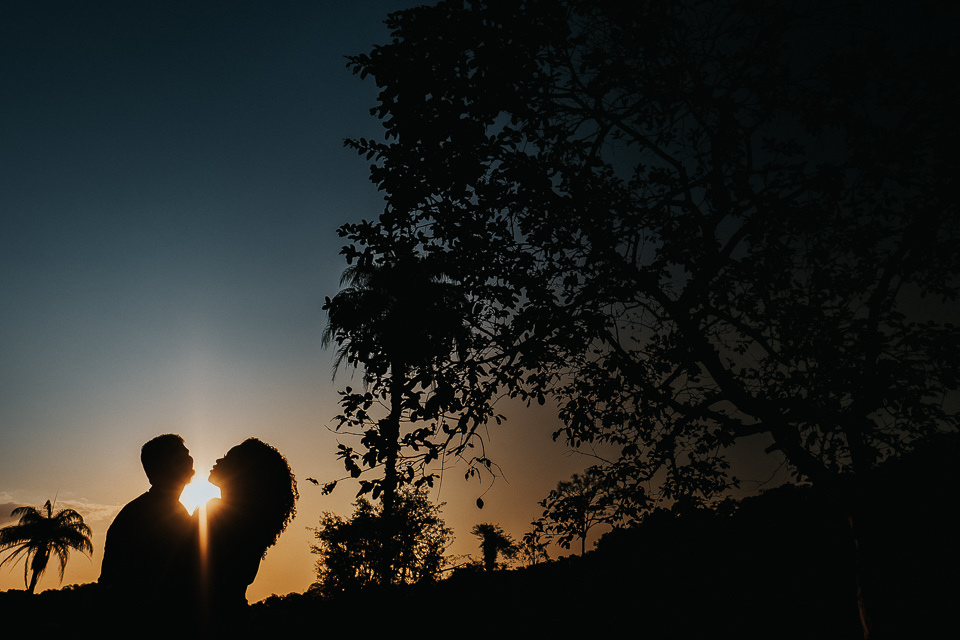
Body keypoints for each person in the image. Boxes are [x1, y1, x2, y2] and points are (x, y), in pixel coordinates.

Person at [200, 438, 297, 625]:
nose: (218, 461)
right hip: (234, 615)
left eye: (227, 458)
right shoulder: (254, 521)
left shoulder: (216, 514)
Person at [99, 434, 196, 619]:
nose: (189, 459)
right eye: (179, 455)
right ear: (158, 466)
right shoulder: (143, 514)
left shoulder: (176, 510)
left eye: (187, 453)